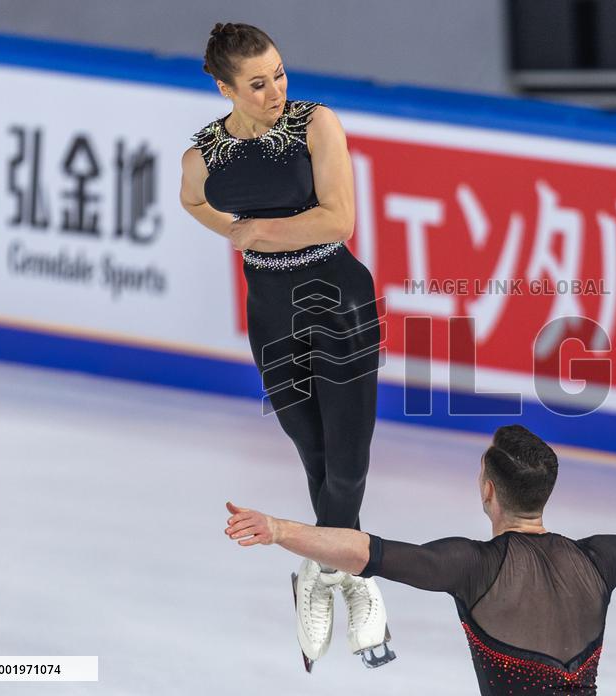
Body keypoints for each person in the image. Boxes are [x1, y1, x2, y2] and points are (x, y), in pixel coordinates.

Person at [224, 424, 616, 694]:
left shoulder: (472, 566)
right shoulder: (597, 562)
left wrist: (279, 529)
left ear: (488, 491)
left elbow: (365, 552)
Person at [180, 22, 391, 670]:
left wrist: (255, 231)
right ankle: (337, 569)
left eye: (279, 74)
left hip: (340, 302)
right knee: (316, 455)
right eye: (257, 83)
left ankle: (332, 576)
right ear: (225, 88)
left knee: (348, 464)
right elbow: (193, 198)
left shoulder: (314, 125)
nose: (275, 91)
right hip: (271, 314)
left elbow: (339, 218)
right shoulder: (203, 155)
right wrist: (236, 229)